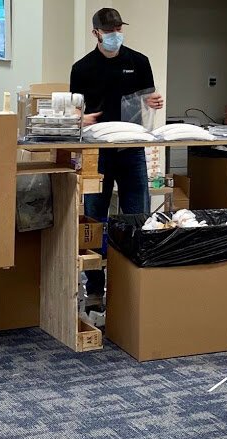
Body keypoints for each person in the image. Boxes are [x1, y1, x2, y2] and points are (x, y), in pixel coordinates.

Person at [71, 7, 164, 301]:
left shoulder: (139, 62)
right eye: (108, 31)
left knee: (137, 216)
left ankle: (135, 285)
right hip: (97, 153)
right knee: (94, 221)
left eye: (118, 30)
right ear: (96, 33)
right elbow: (76, 110)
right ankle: (96, 288)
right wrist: (79, 118)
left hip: (132, 151)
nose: (115, 36)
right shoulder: (82, 68)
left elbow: (148, 102)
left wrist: (154, 101)